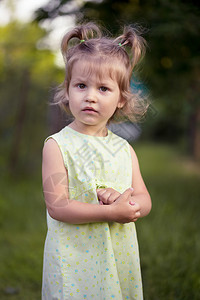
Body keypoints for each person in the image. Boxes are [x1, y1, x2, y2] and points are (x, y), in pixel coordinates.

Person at [42, 22, 151, 300]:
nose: (90, 96)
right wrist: (109, 213)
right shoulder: (57, 145)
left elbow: (143, 198)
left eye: (103, 89)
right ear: (67, 91)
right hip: (73, 258)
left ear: (121, 100)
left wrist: (126, 203)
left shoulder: (124, 149)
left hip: (116, 254)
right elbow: (57, 206)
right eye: (81, 85)